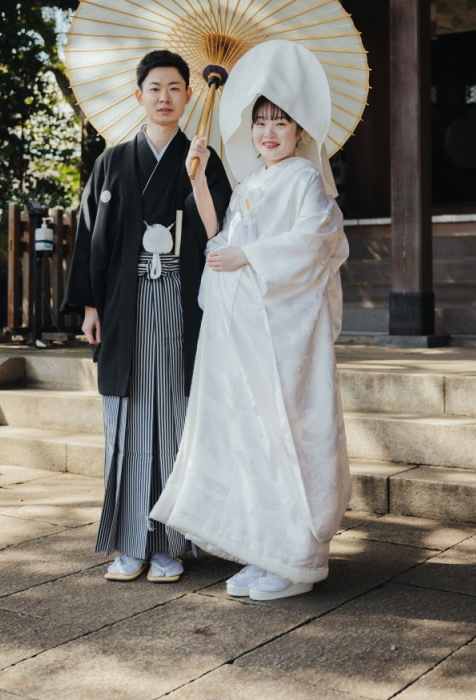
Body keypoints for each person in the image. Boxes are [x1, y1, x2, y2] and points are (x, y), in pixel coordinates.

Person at [151, 40, 351, 600]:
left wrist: (249, 257)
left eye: (280, 122)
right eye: (260, 122)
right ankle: (265, 549)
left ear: (300, 130)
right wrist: (196, 181)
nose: (268, 133)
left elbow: (315, 243)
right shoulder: (252, 184)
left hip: (284, 335)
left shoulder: (305, 181)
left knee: (286, 432)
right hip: (247, 332)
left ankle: (296, 560)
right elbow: (223, 243)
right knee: (252, 437)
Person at [62, 49, 231, 583]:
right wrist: (90, 304)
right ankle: (130, 543)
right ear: (139, 96)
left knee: (176, 420)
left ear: (188, 95)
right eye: (154, 88)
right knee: (128, 420)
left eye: (175, 88)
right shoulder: (113, 161)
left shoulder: (202, 157)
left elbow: (222, 230)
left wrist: (199, 176)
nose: (164, 97)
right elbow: (92, 236)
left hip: (180, 302)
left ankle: (170, 545)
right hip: (123, 303)